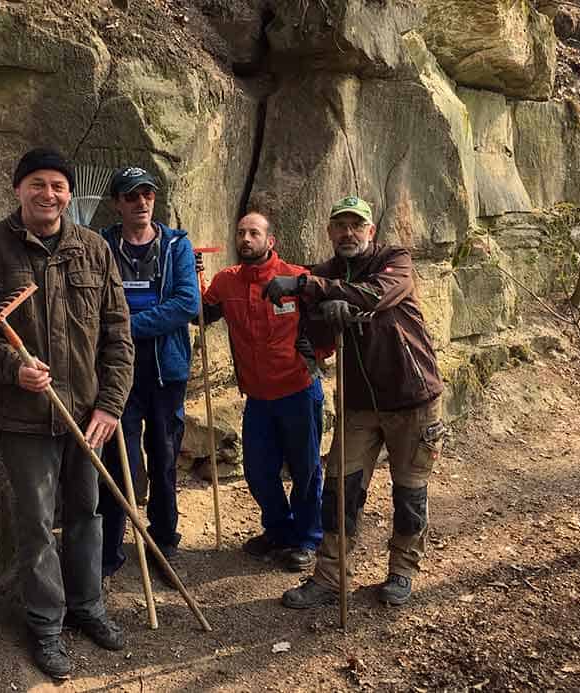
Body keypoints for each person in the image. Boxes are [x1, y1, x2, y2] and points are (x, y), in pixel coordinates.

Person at [0, 148, 134, 679]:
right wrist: (13, 368)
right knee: (35, 524)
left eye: (57, 185)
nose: (48, 194)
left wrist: (111, 403)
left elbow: (119, 335)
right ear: (18, 189)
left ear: (69, 193)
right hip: (24, 417)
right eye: (37, 184)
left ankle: (87, 606)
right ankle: (46, 626)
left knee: (87, 514)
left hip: (85, 415)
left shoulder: (93, 249)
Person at [263, 195, 446, 609]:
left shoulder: (394, 260)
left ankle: (402, 571)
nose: (348, 233)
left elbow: (375, 295)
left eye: (356, 225)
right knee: (340, 491)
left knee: (409, 493)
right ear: (329, 232)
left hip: (411, 397)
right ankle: (329, 578)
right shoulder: (325, 272)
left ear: (371, 231)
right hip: (359, 404)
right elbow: (315, 335)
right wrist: (316, 311)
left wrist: (315, 288)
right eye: (340, 226)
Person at [196, 212, 323, 572]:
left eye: (254, 233)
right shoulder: (227, 281)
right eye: (241, 233)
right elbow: (200, 314)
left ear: (270, 241)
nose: (246, 238)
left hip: (298, 389)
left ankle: (308, 538)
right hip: (258, 397)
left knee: (306, 469)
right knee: (258, 470)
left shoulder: (297, 278)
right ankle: (279, 530)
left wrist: (320, 353)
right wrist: (193, 278)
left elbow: (327, 320)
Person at [97, 166, 199, 585]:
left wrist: (125, 326)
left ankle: (164, 540)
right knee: (118, 461)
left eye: (148, 195)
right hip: (116, 373)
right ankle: (110, 549)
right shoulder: (102, 245)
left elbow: (185, 304)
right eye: (132, 196)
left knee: (164, 457)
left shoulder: (176, 244)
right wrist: (124, 326)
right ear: (119, 202)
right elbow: (95, 305)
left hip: (164, 371)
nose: (142, 203)